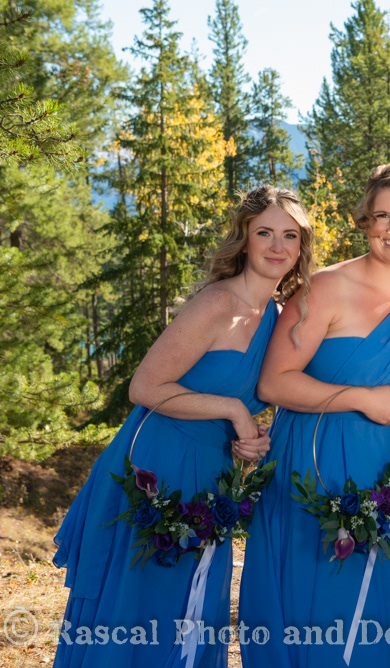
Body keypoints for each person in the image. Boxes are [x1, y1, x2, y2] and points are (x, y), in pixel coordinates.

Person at [52, 185, 313, 667]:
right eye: (264, 233)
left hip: (210, 470)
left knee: (193, 603)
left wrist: (245, 441)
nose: (277, 246)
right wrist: (236, 411)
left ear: (301, 247)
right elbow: (145, 387)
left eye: (289, 235)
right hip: (157, 461)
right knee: (142, 598)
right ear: (244, 238)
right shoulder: (217, 303)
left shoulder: (278, 318)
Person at [239, 163, 390, 667]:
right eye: (381, 216)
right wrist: (359, 397)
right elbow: (273, 383)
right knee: (318, 603)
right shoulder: (325, 287)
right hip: (312, 460)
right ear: (364, 222)